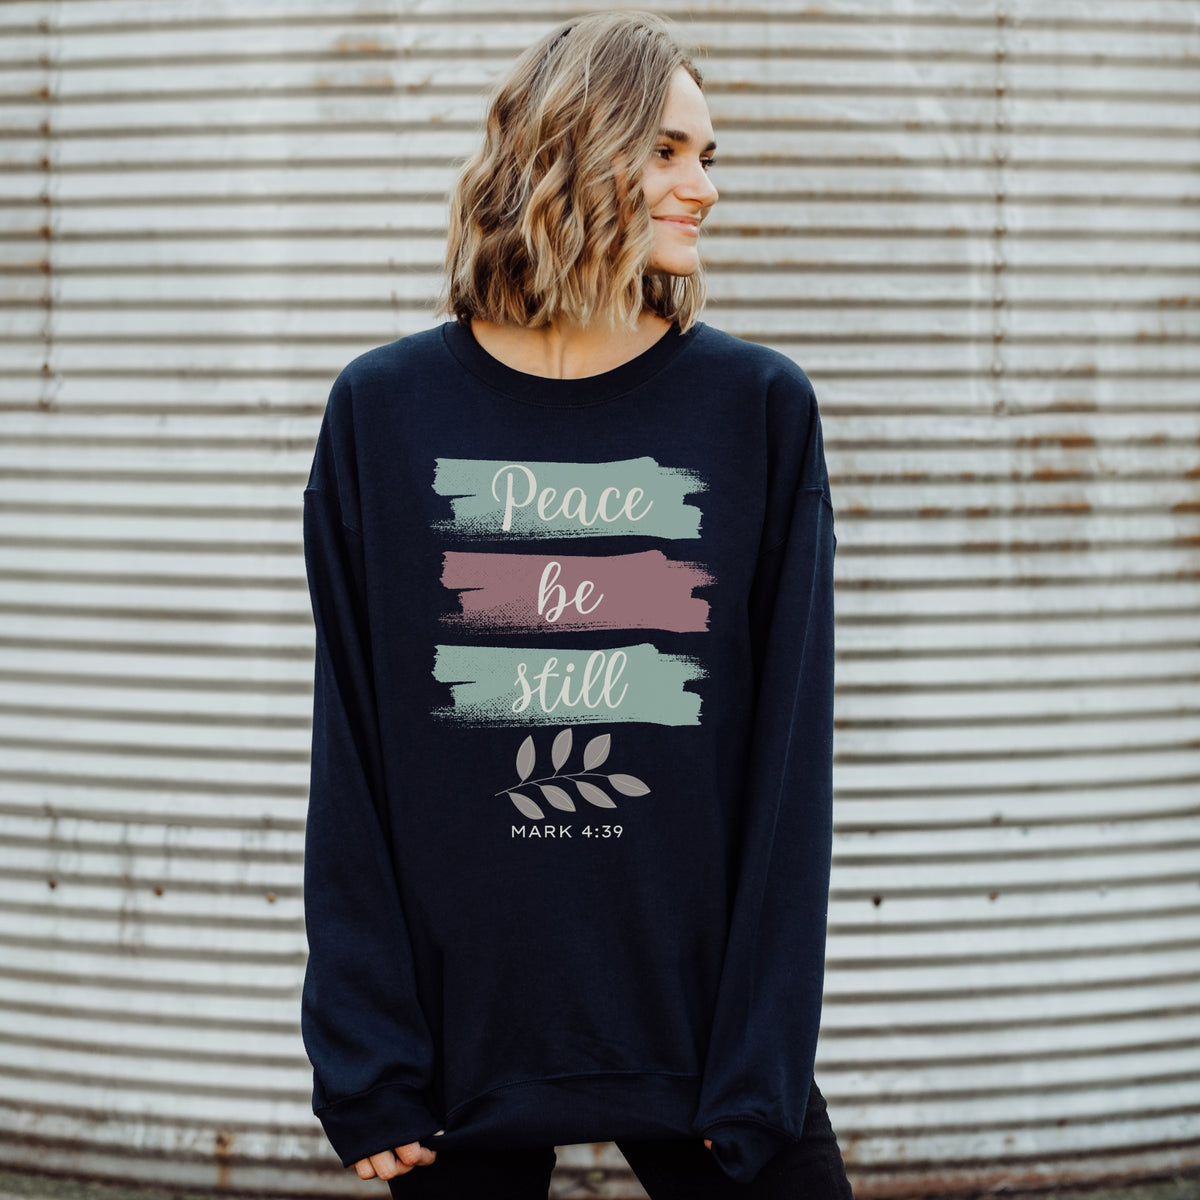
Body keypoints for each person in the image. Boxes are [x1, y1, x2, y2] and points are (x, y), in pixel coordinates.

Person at [299, 10, 852, 1199]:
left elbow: (790, 764)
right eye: (668, 151)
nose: (704, 187)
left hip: (700, 1035)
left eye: (709, 155)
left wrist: (760, 1060)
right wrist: (368, 1055)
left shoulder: (756, 408)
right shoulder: (383, 413)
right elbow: (352, 751)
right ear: (570, 148)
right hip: (456, 1042)